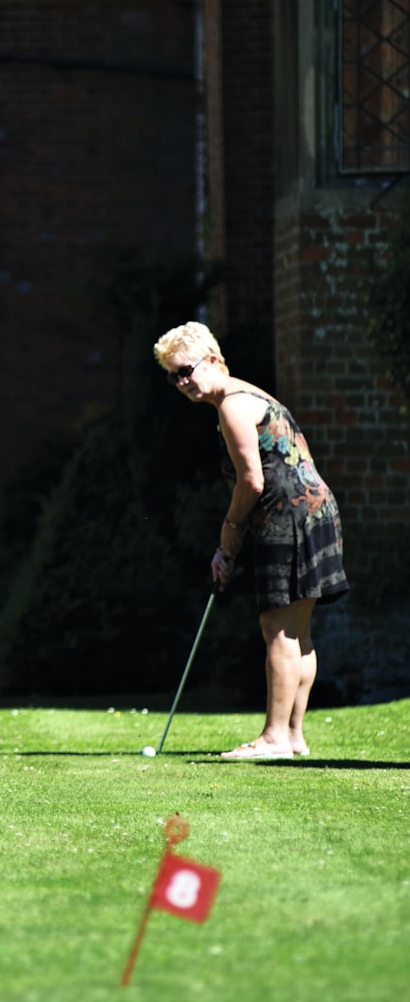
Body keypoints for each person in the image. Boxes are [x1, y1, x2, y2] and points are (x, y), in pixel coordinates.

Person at [153, 321, 347, 760]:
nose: (182, 383)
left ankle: (275, 738)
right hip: (316, 513)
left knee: (276, 628)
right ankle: (293, 737)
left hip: (288, 518)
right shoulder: (254, 395)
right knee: (298, 630)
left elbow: (251, 482)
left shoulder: (233, 407)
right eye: (173, 376)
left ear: (214, 359)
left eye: (186, 370)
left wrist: (229, 536)